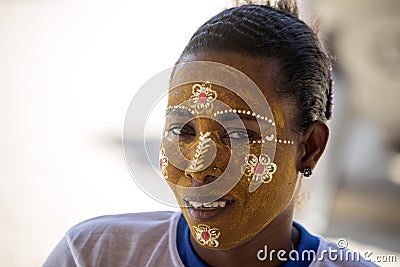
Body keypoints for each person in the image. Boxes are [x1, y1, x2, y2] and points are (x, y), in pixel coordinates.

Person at [43, 1, 377, 266]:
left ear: (309, 149)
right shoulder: (94, 255)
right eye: (182, 130)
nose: (199, 166)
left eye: (239, 136)